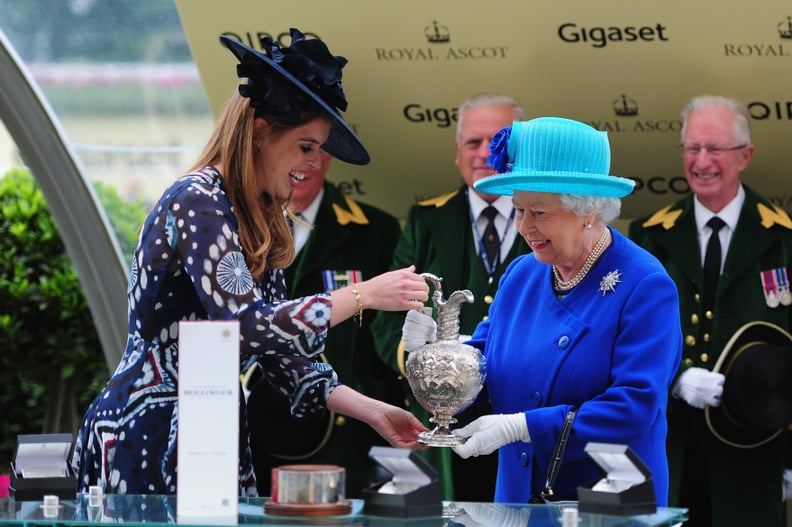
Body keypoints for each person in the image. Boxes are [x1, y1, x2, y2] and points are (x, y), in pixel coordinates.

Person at [70, 28, 429, 496]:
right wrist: (364, 295)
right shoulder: (196, 199)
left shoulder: (257, 216)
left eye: (319, 150)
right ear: (261, 131)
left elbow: (281, 354)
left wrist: (373, 410)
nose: (314, 163)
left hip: (211, 435)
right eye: (306, 146)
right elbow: (245, 326)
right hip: (146, 437)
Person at [404, 117, 682, 504]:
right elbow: (484, 365)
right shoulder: (521, 274)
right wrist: (439, 353)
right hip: (520, 497)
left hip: (607, 499)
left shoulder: (644, 284)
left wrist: (522, 426)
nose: (523, 227)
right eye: (518, 210)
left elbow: (633, 405)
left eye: (539, 213)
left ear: (588, 210)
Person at [629, 94, 792, 527]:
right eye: (692, 149)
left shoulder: (783, 239)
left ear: (745, 155)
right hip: (670, 447)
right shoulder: (651, 237)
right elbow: (626, 337)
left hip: (756, 449)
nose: (702, 162)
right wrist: (678, 375)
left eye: (715, 148)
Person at [371, 92, 529, 501]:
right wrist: (429, 367)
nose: (482, 154)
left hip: (523, 415)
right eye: (472, 143)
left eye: (496, 142)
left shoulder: (549, 215)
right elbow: (389, 321)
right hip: (442, 423)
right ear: (457, 152)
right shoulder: (427, 220)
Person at [243, 149, 405, 498]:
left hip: (346, 437)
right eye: (292, 149)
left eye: (312, 151)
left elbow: (388, 334)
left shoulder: (375, 230)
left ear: (329, 159)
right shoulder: (240, 224)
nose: (302, 164)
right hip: (256, 432)